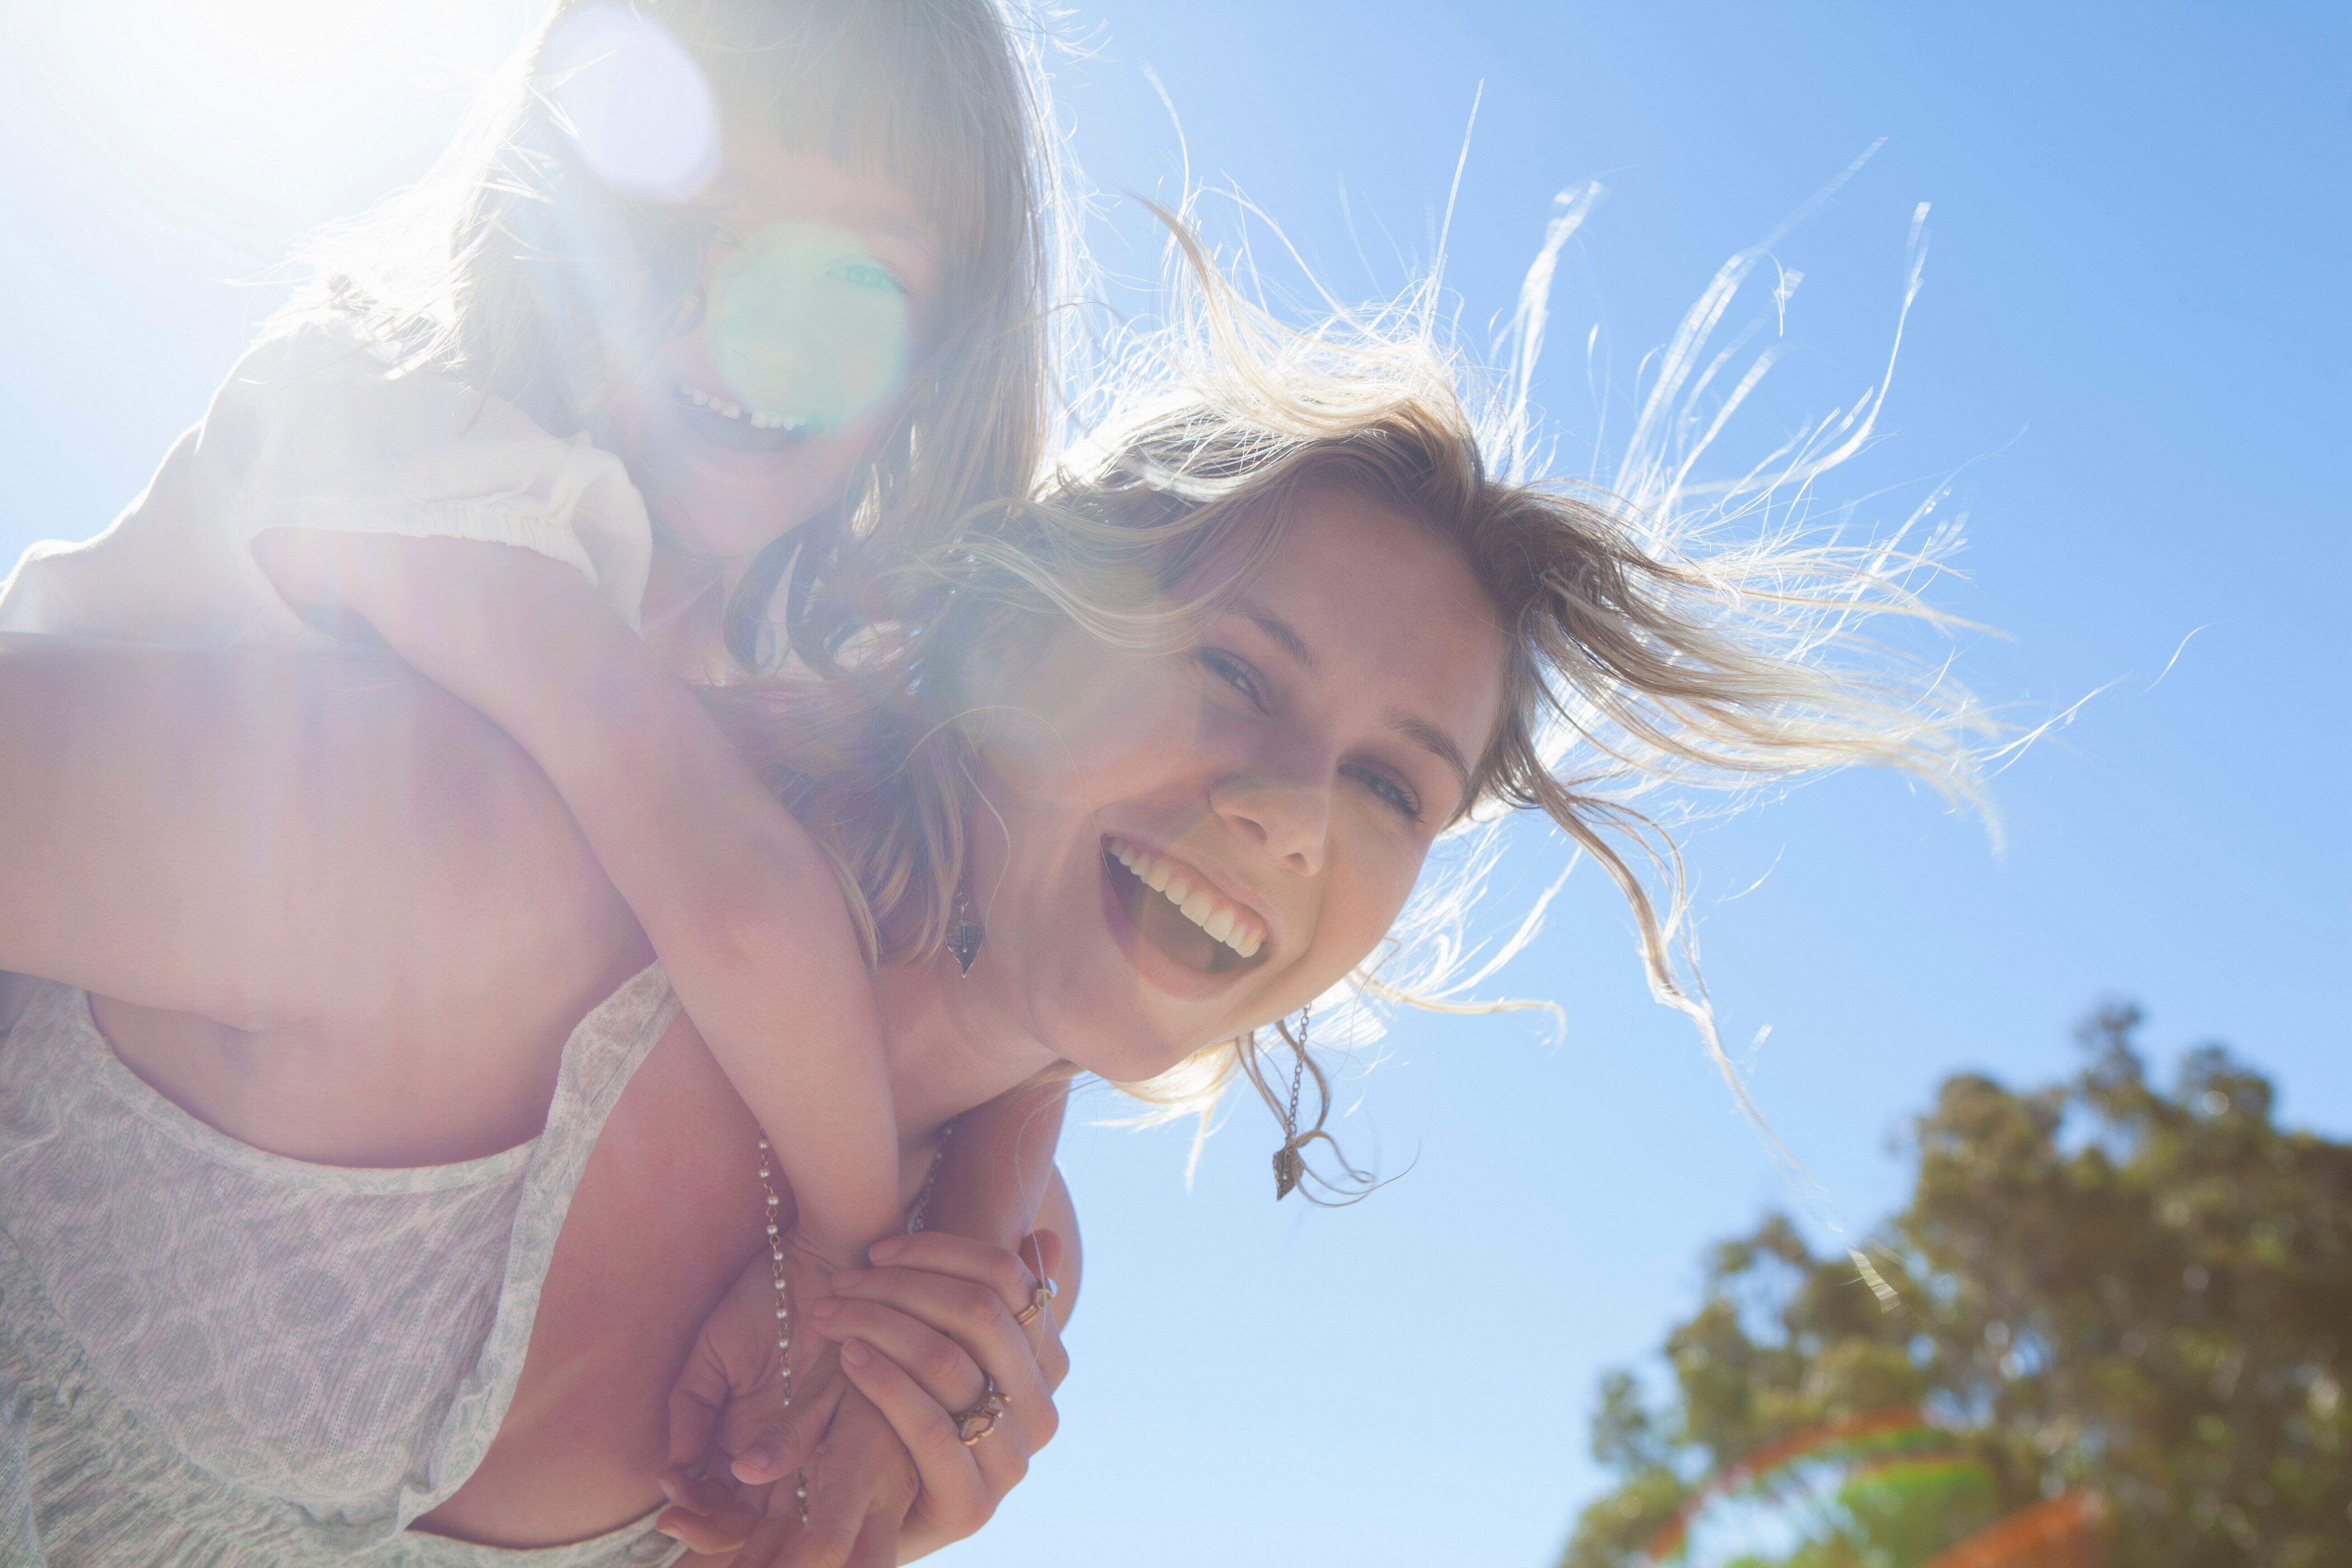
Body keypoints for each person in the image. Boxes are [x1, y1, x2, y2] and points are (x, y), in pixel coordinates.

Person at [0, 228, 1991, 1564]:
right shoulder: (508, 864)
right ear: (1028, 628)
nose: (1293, 812)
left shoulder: (991, 1285)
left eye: (1392, 783)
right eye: (1235, 670)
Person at [0, 0, 1081, 1531]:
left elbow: (1020, 964)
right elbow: (725, 877)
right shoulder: (400, 432)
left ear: (940, 353)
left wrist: (974, 1207)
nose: (735, 326)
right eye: (673, 220)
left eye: (844, 283)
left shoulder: (792, 661)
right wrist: (850, 1262)